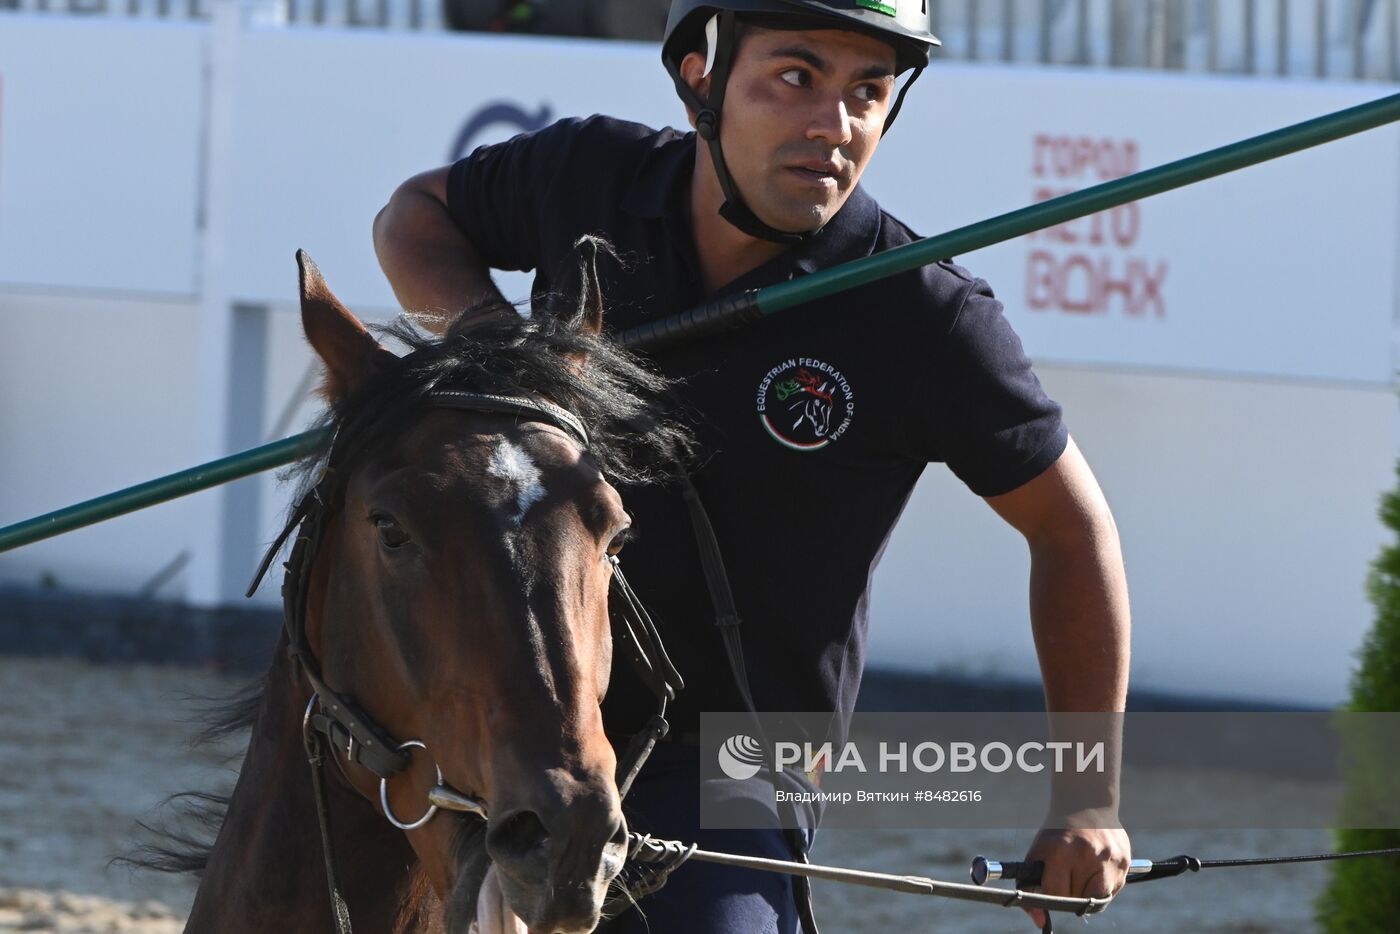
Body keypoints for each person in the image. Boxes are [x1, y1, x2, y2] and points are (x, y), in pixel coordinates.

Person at [373, 1, 1133, 930]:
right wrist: (503, 353)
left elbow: (1072, 528)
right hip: (501, 697)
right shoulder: (586, 175)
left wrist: (1086, 798)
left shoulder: (927, 318)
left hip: (740, 763)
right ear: (701, 73)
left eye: (868, 92)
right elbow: (413, 221)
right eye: (795, 76)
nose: (834, 126)